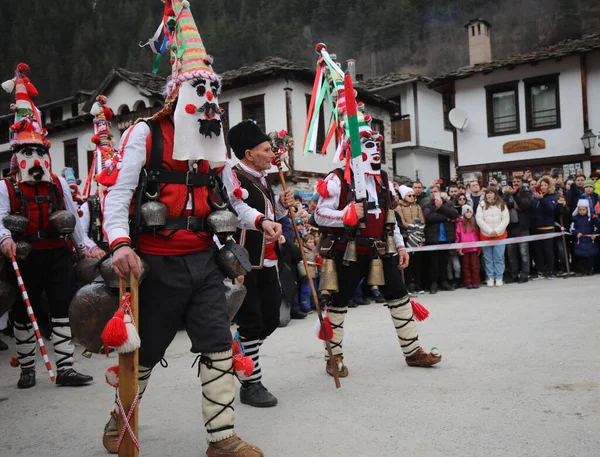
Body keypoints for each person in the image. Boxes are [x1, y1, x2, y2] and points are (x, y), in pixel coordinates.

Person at [100, 2, 262, 455]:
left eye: (213, 89)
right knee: (144, 356)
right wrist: (119, 244)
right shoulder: (145, 135)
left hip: (204, 263)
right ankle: (121, 419)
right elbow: (116, 194)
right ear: (179, 92)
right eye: (200, 88)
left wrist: (263, 220)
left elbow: (235, 198)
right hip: (154, 265)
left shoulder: (214, 144)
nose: (209, 97)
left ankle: (222, 439)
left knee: (217, 349)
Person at [313, 54, 440, 377]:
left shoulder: (384, 180)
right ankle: (334, 358)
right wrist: (345, 214)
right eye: (365, 143)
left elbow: (390, 217)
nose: (373, 150)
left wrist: (400, 246)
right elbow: (318, 215)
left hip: (381, 247)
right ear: (352, 147)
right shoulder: (335, 180)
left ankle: (413, 351)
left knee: (399, 295)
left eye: (375, 144)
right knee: (339, 303)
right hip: (347, 251)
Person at [0, 63, 98, 389]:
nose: (35, 156)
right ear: (18, 155)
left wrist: (85, 246)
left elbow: (73, 217)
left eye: (39, 150)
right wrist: (4, 239)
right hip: (23, 255)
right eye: (28, 151)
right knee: (22, 314)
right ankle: (27, 367)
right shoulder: (6, 186)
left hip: (56, 253)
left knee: (61, 308)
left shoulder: (56, 182)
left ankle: (66, 367)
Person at [223, 120, 294, 408]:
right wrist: (265, 219)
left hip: (266, 259)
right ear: (249, 153)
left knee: (272, 319)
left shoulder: (262, 178)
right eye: (266, 150)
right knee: (252, 321)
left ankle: (239, 351)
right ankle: (251, 384)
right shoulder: (233, 175)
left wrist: (280, 204)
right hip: (244, 260)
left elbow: (268, 212)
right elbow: (238, 210)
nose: (271, 154)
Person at [423, 191, 458, 294]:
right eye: (432, 192)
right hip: (433, 238)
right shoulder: (427, 205)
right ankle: (433, 283)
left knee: (444, 263)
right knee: (434, 263)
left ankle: (444, 282)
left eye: (436, 191)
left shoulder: (448, 204)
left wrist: (441, 207)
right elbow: (429, 217)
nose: (434, 194)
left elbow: (454, 214)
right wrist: (446, 217)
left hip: (446, 238)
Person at [476, 188, 509, 287]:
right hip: (486, 236)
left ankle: (499, 277)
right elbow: (479, 219)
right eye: (487, 193)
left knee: (499, 258)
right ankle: (490, 277)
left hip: (500, 235)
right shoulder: (481, 205)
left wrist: (497, 231)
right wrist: (490, 231)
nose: (489, 195)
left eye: (491, 193)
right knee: (488, 258)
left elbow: (506, 219)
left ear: (495, 194)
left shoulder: (502, 204)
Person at [395, 185, 425, 295]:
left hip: (418, 236)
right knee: (408, 263)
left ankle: (418, 284)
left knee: (418, 262)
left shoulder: (417, 207)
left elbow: (422, 220)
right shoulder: (399, 207)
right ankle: (407, 285)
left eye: (413, 195)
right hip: (406, 236)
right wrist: (413, 227)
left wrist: (418, 227)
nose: (412, 197)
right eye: (409, 195)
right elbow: (402, 222)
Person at [502, 175, 532, 283]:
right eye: (513, 181)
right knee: (511, 253)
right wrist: (512, 204)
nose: (515, 183)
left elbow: (524, 204)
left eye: (517, 181)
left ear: (521, 182)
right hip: (510, 228)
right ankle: (514, 275)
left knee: (524, 253)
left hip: (522, 227)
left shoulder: (526, 193)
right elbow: (502, 205)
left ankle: (524, 275)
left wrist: (515, 196)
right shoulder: (507, 193)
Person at [530, 176, 558, 280]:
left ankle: (550, 271)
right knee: (538, 251)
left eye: (545, 185)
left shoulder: (552, 197)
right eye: (541, 185)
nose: (543, 187)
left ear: (549, 186)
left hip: (548, 227)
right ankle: (540, 271)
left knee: (548, 250)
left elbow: (551, 209)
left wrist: (542, 200)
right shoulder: (535, 198)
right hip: (536, 228)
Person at [569, 200, 599, 275]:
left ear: (587, 209)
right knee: (582, 256)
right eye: (580, 209)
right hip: (580, 240)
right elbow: (571, 228)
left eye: (583, 209)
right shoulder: (575, 218)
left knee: (591, 256)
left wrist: (594, 234)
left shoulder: (591, 217)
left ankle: (590, 269)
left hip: (590, 240)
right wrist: (576, 233)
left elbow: (596, 227)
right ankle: (583, 269)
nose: (581, 211)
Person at [455, 205, 481, 289]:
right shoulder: (459, 223)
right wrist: (458, 248)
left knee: (474, 265)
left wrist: (479, 247)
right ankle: (468, 282)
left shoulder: (475, 222)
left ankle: (476, 281)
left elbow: (478, 235)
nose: (469, 214)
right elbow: (457, 236)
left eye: (470, 212)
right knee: (466, 266)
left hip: (474, 248)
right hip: (464, 249)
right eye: (467, 212)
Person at [297, 233, 319, 313]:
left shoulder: (314, 250)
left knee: (314, 290)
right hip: (307, 274)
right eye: (310, 242)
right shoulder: (303, 251)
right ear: (304, 243)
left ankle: (314, 305)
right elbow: (301, 263)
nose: (312, 244)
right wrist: (304, 274)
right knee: (307, 291)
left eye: (313, 242)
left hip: (314, 274)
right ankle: (305, 306)